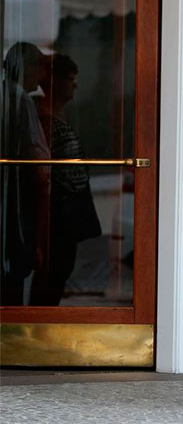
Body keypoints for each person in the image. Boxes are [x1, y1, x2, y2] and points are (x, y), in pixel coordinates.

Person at [31, 54, 101, 305]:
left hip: (68, 210)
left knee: (60, 271)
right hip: (53, 209)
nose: (75, 85)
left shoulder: (62, 116)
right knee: (51, 273)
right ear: (54, 81)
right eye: (70, 79)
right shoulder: (41, 116)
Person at [1, 42, 50, 305]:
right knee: (13, 285)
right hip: (18, 202)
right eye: (39, 68)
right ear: (27, 68)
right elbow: (36, 160)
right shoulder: (18, 98)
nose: (42, 77)